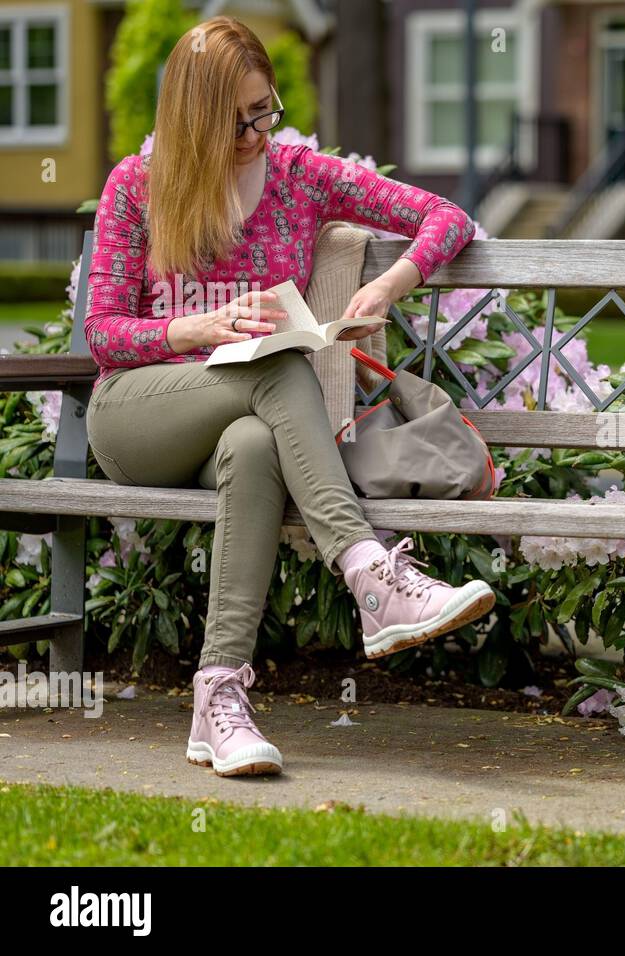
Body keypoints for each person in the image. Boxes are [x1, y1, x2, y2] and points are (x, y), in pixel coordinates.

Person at [84, 16, 495, 778]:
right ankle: (373, 576)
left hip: (234, 431)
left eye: (262, 112)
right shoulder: (138, 186)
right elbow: (104, 333)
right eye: (233, 122)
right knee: (277, 370)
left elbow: (448, 217)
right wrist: (196, 327)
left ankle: (218, 700)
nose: (253, 135)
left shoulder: (303, 175)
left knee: (256, 440)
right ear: (191, 119)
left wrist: (387, 283)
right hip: (139, 416)